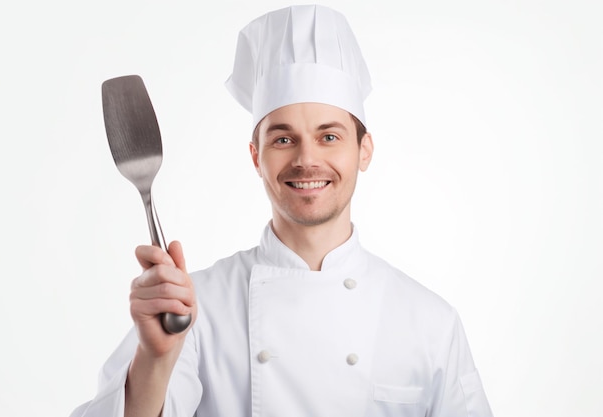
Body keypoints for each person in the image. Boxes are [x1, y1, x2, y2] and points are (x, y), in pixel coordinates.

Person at [71, 5, 493, 417]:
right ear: (256, 157)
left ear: (364, 151)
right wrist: (155, 358)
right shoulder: (192, 311)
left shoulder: (430, 323)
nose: (307, 160)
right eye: (283, 139)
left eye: (329, 136)